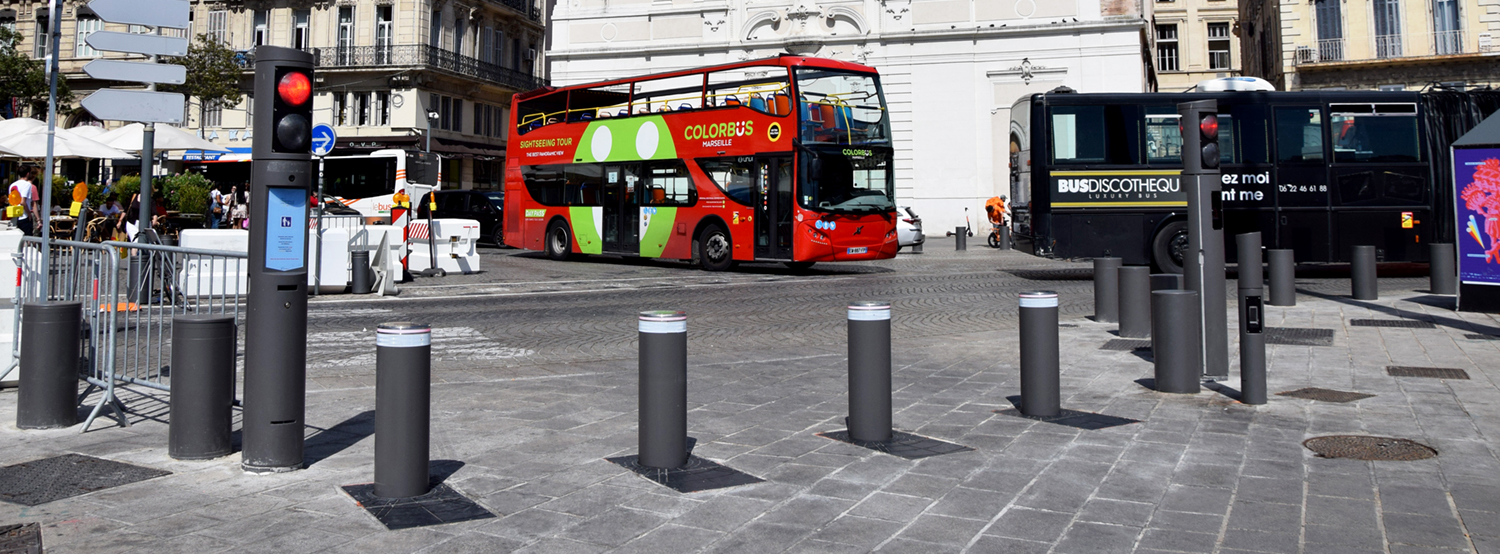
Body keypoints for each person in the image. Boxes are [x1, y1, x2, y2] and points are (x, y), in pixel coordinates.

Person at [8, 165, 39, 236]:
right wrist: (29, 214)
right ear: (28, 174)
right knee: (27, 239)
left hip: (14, 215)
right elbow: (23, 201)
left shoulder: (12, 185)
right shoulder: (27, 184)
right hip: (24, 216)